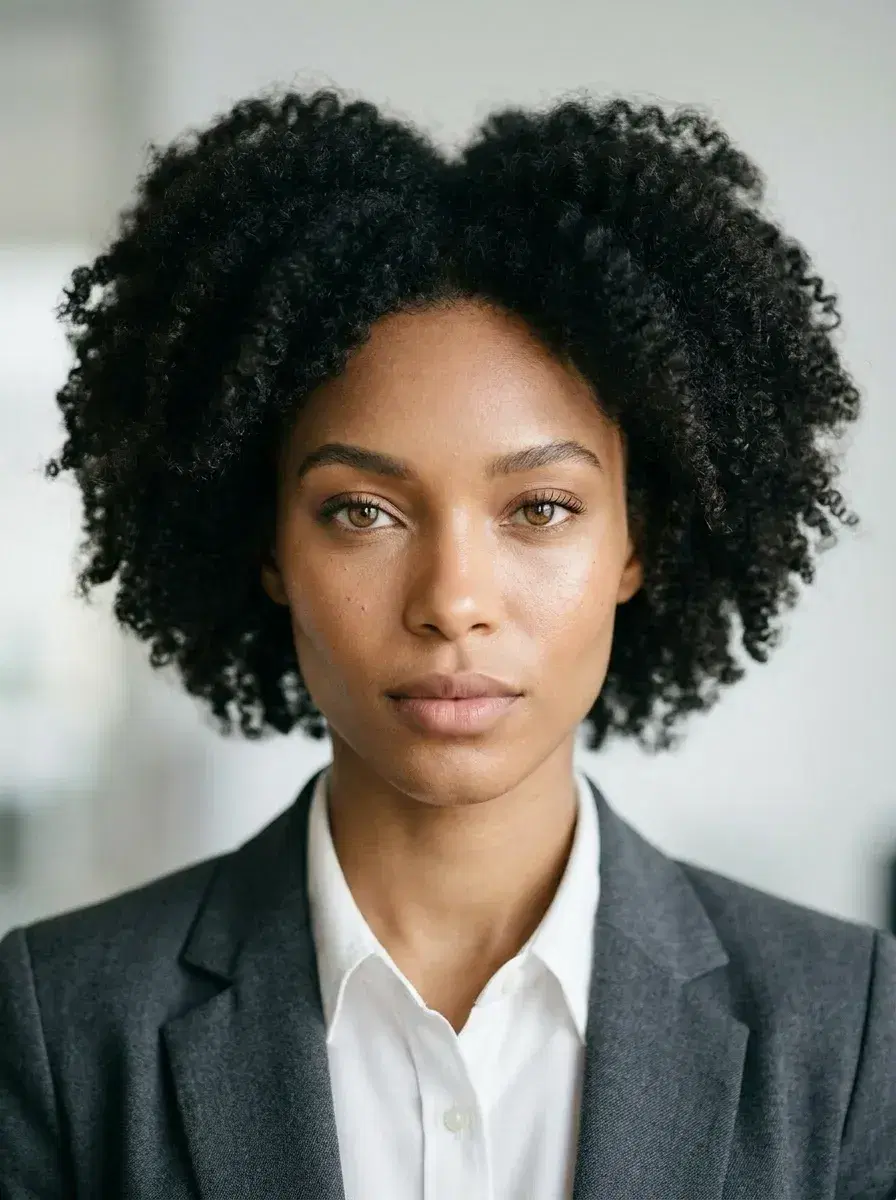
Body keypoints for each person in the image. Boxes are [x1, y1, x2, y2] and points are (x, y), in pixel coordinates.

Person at [0, 87, 893, 1200]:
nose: (451, 601)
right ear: (267, 543)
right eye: (360, 511)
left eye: (539, 508)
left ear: (637, 543)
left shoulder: (852, 1028)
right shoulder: (56, 1026)